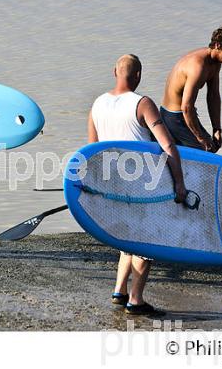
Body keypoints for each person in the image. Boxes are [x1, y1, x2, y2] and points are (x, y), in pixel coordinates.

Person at [88, 54, 187, 315]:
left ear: (114, 72)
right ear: (139, 75)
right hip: (141, 186)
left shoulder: (97, 104)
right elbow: (167, 145)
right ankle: (136, 299)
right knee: (144, 241)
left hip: (112, 185)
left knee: (127, 237)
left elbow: (91, 152)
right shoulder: (142, 104)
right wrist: (179, 182)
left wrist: (93, 187)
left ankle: (119, 291)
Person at [161, 25, 222, 152]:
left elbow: (213, 96)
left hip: (185, 113)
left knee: (213, 146)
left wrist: (217, 129)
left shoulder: (215, 62)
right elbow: (186, 107)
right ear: (217, 45)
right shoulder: (198, 66)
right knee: (206, 151)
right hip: (174, 116)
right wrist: (200, 137)